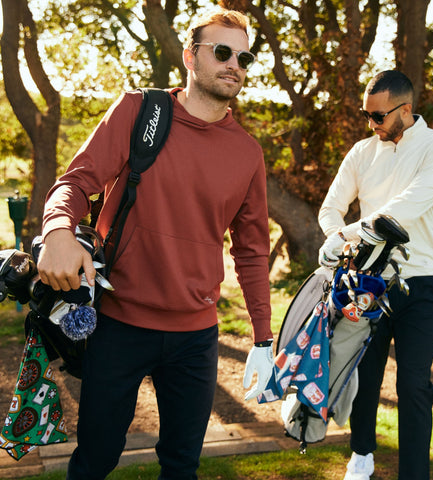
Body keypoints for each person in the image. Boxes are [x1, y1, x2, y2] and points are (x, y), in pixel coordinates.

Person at [37, 8, 274, 480]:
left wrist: (263, 339)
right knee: (94, 461)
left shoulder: (248, 153)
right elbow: (77, 182)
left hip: (196, 338)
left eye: (244, 58)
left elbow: (251, 250)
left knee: (182, 466)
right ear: (190, 55)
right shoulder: (138, 111)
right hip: (118, 326)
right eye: (222, 52)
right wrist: (59, 229)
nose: (235, 65)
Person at [318, 70, 433, 480]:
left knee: (414, 386)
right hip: (366, 282)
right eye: (366, 115)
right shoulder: (361, 153)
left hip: (422, 283)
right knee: (363, 376)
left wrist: (347, 234)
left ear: (406, 109)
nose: (371, 124)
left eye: (378, 116)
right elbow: (331, 209)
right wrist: (336, 239)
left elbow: (401, 210)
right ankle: (361, 457)